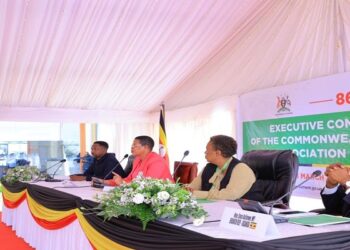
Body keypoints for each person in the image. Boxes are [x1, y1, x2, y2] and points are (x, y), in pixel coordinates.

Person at [186, 135, 256, 200]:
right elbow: (192, 188)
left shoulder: (242, 169)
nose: (205, 152)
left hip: (241, 211)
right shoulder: (209, 167)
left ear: (217, 153)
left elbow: (229, 195)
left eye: (207, 150)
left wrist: (196, 194)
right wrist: (186, 190)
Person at [102, 136, 172, 186]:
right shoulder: (137, 160)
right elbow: (130, 179)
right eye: (132, 145)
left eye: (134, 145)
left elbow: (148, 185)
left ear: (146, 147)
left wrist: (122, 183)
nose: (132, 147)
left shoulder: (157, 162)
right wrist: (106, 182)